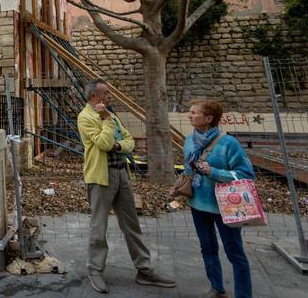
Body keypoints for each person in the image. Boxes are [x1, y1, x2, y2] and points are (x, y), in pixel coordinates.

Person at [78, 79, 176, 293]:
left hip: (122, 175)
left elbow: (129, 141)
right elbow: (103, 143)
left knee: (132, 224)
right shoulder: (86, 117)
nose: (109, 96)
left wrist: (118, 144)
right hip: (100, 177)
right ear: (93, 96)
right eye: (105, 92)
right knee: (98, 227)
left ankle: (144, 270)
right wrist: (106, 122)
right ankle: (95, 270)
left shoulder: (110, 115)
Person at [170, 99, 255, 298]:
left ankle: (244, 294)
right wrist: (178, 187)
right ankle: (217, 288)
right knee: (207, 248)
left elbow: (246, 174)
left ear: (208, 118)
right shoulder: (189, 141)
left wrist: (214, 172)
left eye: (194, 113)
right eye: (189, 112)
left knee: (235, 253)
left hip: (225, 207)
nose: (189, 115)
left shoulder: (228, 143)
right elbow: (189, 170)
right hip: (198, 204)